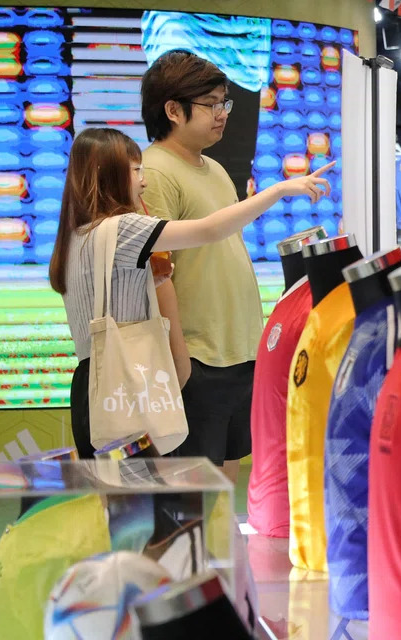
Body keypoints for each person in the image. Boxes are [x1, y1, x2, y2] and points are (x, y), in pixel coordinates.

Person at [49, 127, 333, 460]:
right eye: (136, 169)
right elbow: (210, 229)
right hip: (126, 385)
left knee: (115, 505)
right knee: (151, 504)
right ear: (107, 173)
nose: (144, 181)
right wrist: (282, 189)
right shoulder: (122, 229)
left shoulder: (75, 237)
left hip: (90, 388)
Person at [139, 49, 265, 480]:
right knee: (189, 503)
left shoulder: (213, 168)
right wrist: (181, 362)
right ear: (173, 110)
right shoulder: (154, 171)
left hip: (238, 351)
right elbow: (157, 274)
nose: (222, 113)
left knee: (222, 496)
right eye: (211, 104)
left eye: (224, 103)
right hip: (197, 356)